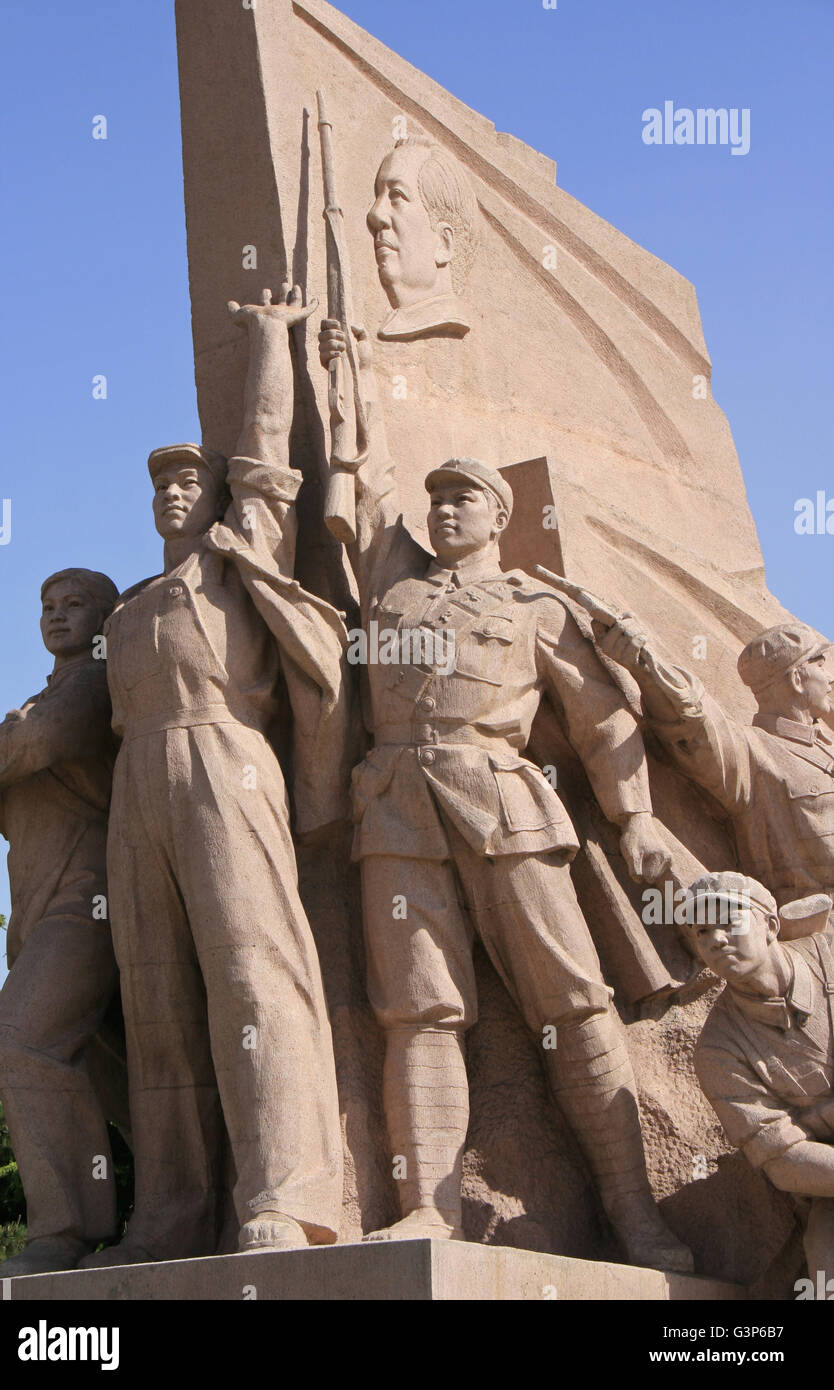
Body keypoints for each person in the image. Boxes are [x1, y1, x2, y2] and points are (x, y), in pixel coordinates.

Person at [317, 320, 693, 1272]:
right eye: (436, 501)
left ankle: (635, 1215)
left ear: (498, 515)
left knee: (571, 1002)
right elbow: (362, 487)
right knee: (419, 1013)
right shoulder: (392, 591)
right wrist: (343, 367)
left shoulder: (536, 605)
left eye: (464, 501)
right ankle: (426, 1207)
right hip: (397, 804)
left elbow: (605, 717)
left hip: (507, 803)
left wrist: (638, 815)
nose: (444, 513)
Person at [82, 286, 350, 1268]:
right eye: (160, 485)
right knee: (155, 995)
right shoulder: (133, 606)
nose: (172, 494)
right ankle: (174, 1211)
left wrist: (271, 339)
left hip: (225, 758)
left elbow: (267, 454)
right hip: (138, 779)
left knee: (254, 972)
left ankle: (288, 1192)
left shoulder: (237, 560)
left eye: (188, 481)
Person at [0, 567, 125, 1277]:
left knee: (17, 1041)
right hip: (39, 909)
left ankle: (63, 1231)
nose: (58, 616)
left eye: (75, 605)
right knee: (106, 1077)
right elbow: (2, 786)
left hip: (87, 903)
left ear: (106, 616)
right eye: (48, 607)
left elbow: (28, 748)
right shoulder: (46, 695)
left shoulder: (93, 684)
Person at [599, 616, 834, 911]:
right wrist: (646, 666)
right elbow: (695, 728)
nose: (829, 677)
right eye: (820, 665)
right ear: (797, 680)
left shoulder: (826, 746)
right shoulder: (752, 750)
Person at [687, 872, 834, 1285]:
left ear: (770, 926)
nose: (715, 939)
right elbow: (783, 1162)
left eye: (728, 921)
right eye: (702, 930)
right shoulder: (719, 1049)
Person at [367, 135, 478, 341]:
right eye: (378, 196)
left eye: (396, 196)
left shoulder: (445, 324)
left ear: (444, 243)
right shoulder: (395, 323)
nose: (375, 214)